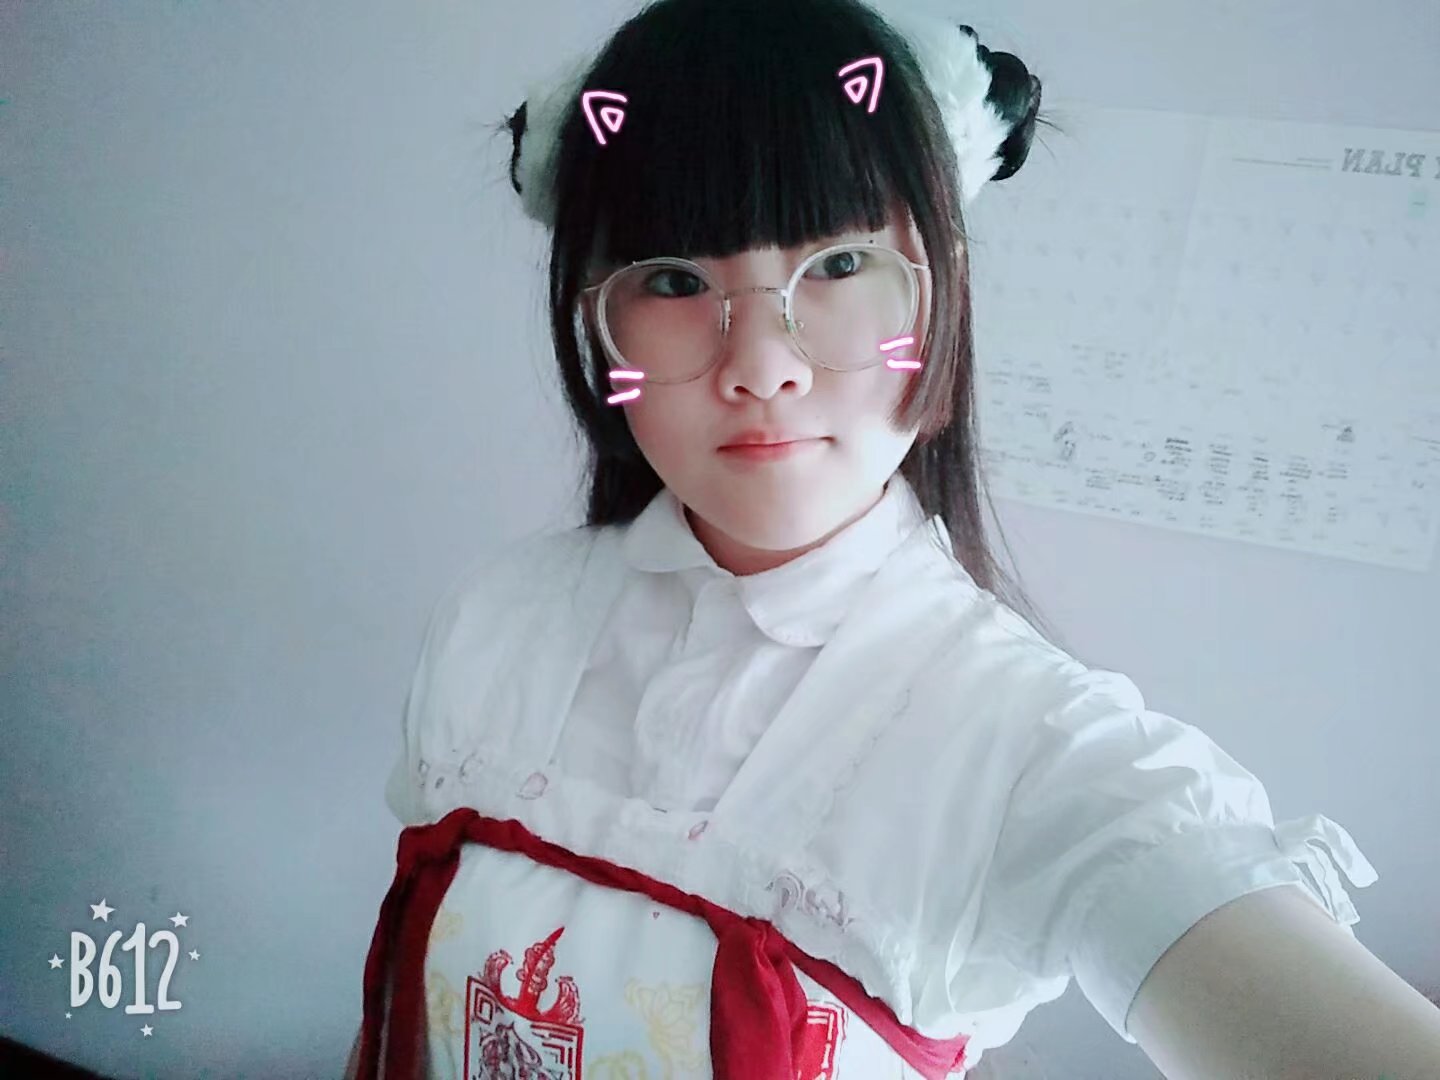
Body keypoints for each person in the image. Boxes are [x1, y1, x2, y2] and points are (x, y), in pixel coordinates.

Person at [350, 1, 1440, 1077]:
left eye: (836, 265)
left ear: (939, 293)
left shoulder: (1030, 746)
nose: (762, 367)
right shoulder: (492, 618)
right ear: (598, 321)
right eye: (676, 281)